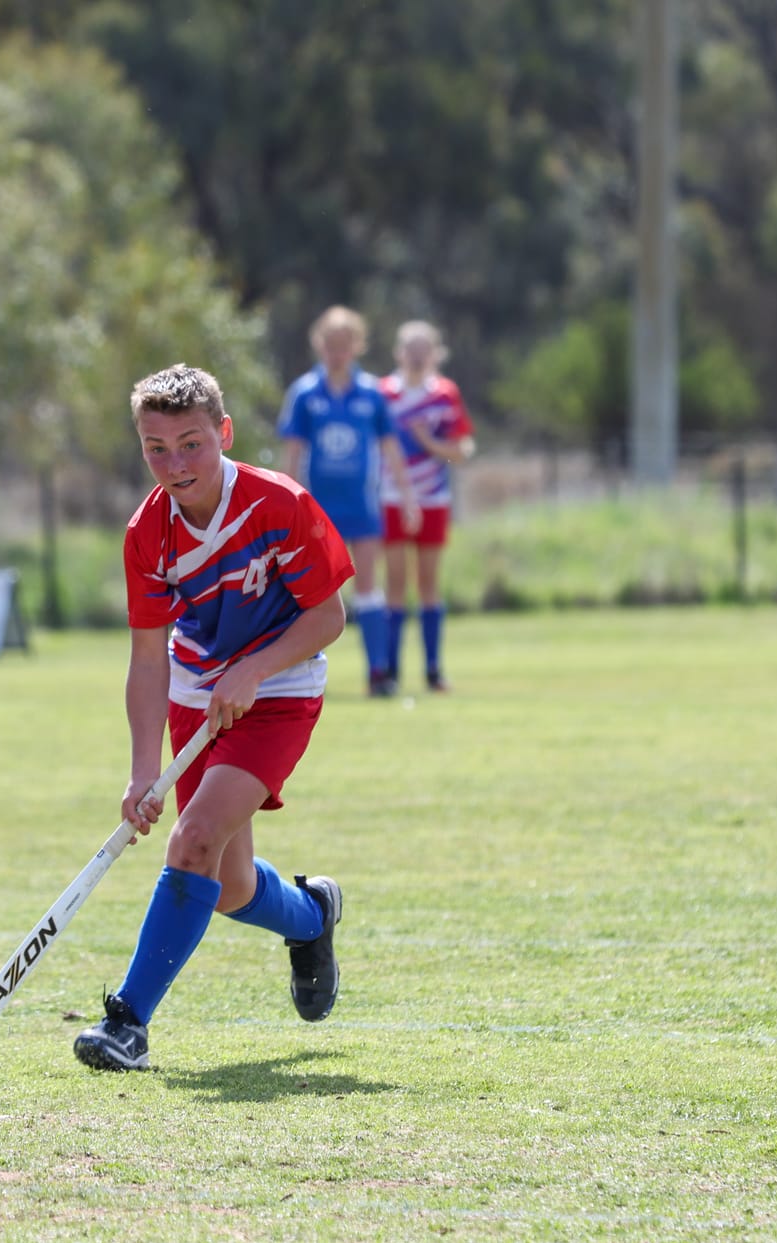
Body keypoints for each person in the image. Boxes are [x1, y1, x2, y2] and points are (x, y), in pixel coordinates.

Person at [72, 364, 354, 1071]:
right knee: (226, 886)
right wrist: (142, 772)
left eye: (191, 443)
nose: (175, 464)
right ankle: (313, 915)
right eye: (156, 448)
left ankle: (127, 1024)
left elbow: (328, 616)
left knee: (192, 840)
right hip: (196, 693)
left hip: (281, 688)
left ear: (223, 434)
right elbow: (147, 659)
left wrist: (255, 669)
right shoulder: (147, 535)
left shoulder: (278, 503)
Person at [279, 306, 418, 697]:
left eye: (344, 344)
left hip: (361, 507)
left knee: (368, 588)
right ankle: (303, 677)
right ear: (318, 344)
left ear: (357, 346)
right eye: (330, 344)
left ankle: (378, 672)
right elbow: (292, 453)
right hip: (318, 511)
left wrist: (408, 496)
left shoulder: (372, 394)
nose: (337, 352)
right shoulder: (305, 394)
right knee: (312, 591)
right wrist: (286, 502)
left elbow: (390, 448)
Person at [377, 321, 476, 692]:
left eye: (424, 350)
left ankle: (434, 671)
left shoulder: (445, 394)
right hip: (391, 498)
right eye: (410, 349)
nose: (417, 357)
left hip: (433, 498)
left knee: (429, 583)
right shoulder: (383, 393)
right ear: (399, 353)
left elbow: (462, 450)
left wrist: (429, 444)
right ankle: (390, 672)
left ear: (435, 353)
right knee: (396, 583)